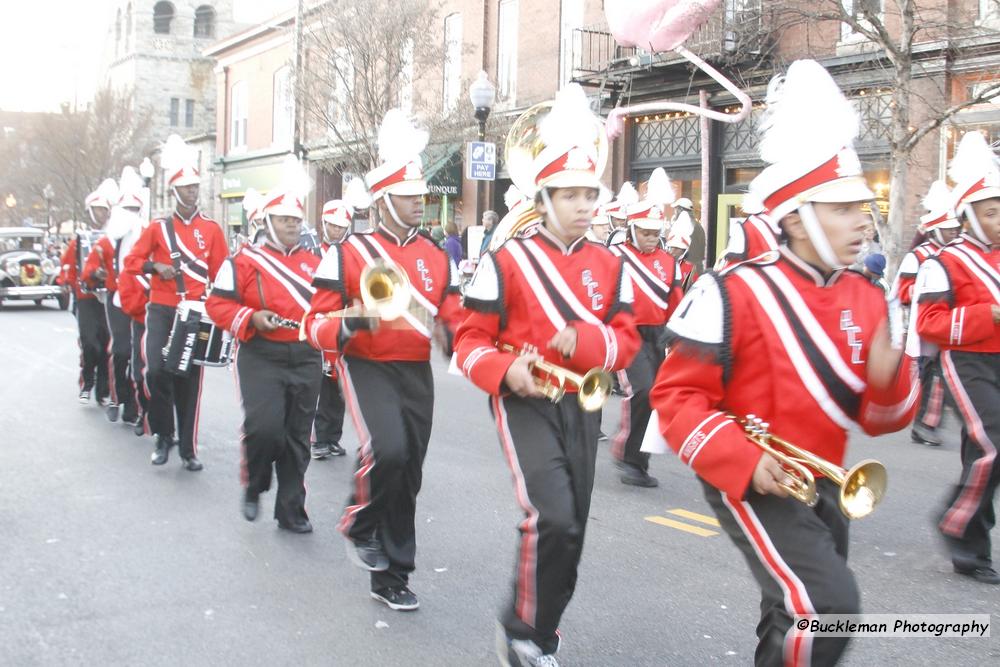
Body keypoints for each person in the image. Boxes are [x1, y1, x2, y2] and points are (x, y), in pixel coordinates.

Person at [650, 60, 917, 666]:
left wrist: (888, 375)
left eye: (863, 207)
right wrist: (743, 460)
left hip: (821, 475)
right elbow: (675, 401)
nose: (863, 221)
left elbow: (884, 417)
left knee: (791, 609)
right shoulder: (730, 291)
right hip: (751, 474)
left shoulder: (867, 296)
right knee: (826, 605)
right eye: (843, 208)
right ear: (796, 217)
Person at [455, 84, 640, 667]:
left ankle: (544, 631)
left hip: (581, 404)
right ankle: (522, 629)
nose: (587, 204)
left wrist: (586, 341)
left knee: (573, 528)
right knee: (551, 515)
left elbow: (628, 339)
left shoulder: (612, 265)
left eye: (591, 194)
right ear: (545, 198)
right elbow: (467, 342)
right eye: (574, 195)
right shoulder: (505, 261)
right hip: (523, 401)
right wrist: (508, 369)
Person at [303, 110, 464, 612]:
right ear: (384, 200)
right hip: (366, 363)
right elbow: (314, 324)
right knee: (388, 450)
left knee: (408, 471)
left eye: (421, 195)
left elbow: (453, 310)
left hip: (415, 367)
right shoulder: (348, 252)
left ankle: (393, 575)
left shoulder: (438, 256)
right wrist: (351, 319)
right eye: (411, 196)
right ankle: (358, 521)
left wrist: (453, 334)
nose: (421, 202)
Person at [206, 163, 321, 532]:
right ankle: (254, 484)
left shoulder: (317, 264)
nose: (292, 225)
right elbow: (217, 305)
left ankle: (291, 510)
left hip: (305, 357)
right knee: (264, 428)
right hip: (261, 356)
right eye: (284, 219)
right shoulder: (243, 261)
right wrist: (250, 318)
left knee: (297, 437)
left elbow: (328, 310)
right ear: (268, 221)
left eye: (295, 219)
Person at [914, 130, 1000, 585]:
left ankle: (971, 549)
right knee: (994, 443)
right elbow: (929, 322)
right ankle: (957, 522)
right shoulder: (943, 262)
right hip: (967, 361)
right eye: (991, 211)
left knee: (984, 452)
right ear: (968, 216)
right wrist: (989, 314)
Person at [123, 134, 229, 470]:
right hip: (161, 309)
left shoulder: (211, 229)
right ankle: (163, 435)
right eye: (185, 188)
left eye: (195, 187)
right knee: (155, 370)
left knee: (188, 382)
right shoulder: (158, 228)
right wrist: (155, 266)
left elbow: (223, 274)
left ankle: (187, 449)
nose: (192, 193)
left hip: (194, 313)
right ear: (174, 191)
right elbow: (132, 263)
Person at [608, 168, 682, 488]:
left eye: (655, 232)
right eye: (646, 232)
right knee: (641, 390)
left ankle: (639, 460)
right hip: (627, 334)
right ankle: (627, 454)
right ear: (633, 229)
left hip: (657, 335)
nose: (652, 237)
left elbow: (676, 300)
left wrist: (676, 332)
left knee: (655, 396)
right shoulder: (616, 257)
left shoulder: (670, 262)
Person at [893, 180, 962, 447]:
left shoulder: (955, 254)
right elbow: (903, 292)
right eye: (948, 229)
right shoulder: (919, 256)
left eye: (955, 229)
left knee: (941, 377)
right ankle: (923, 425)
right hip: (925, 324)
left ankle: (927, 424)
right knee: (934, 377)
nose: (953, 233)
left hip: (949, 322)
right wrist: (931, 291)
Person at [84, 168, 145, 426]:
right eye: (126, 208)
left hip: (142, 299)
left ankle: (139, 405)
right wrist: (96, 274)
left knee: (141, 355)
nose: (130, 214)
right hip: (116, 299)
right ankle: (118, 397)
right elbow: (89, 270)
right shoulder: (108, 241)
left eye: (135, 209)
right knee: (120, 351)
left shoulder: (147, 234)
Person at [311, 191, 366, 461]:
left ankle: (332, 436)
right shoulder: (312, 251)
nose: (336, 230)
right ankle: (320, 438)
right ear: (324, 224)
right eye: (332, 225)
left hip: (344, 325)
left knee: (339, 383)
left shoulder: (349, 255)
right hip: (322, 325)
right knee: (324, 383)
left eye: (341, 227)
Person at [61, 179, 116, 405]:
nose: (101, 214)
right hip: (85, 298)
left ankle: (103, 390)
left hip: (108, 298)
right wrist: (67, 282)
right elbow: (68, 265)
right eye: (97, 210)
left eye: (104, 210)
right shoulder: (81, 239)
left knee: (106, 345)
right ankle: (87, 383)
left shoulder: (114, 236)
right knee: (90, 343)